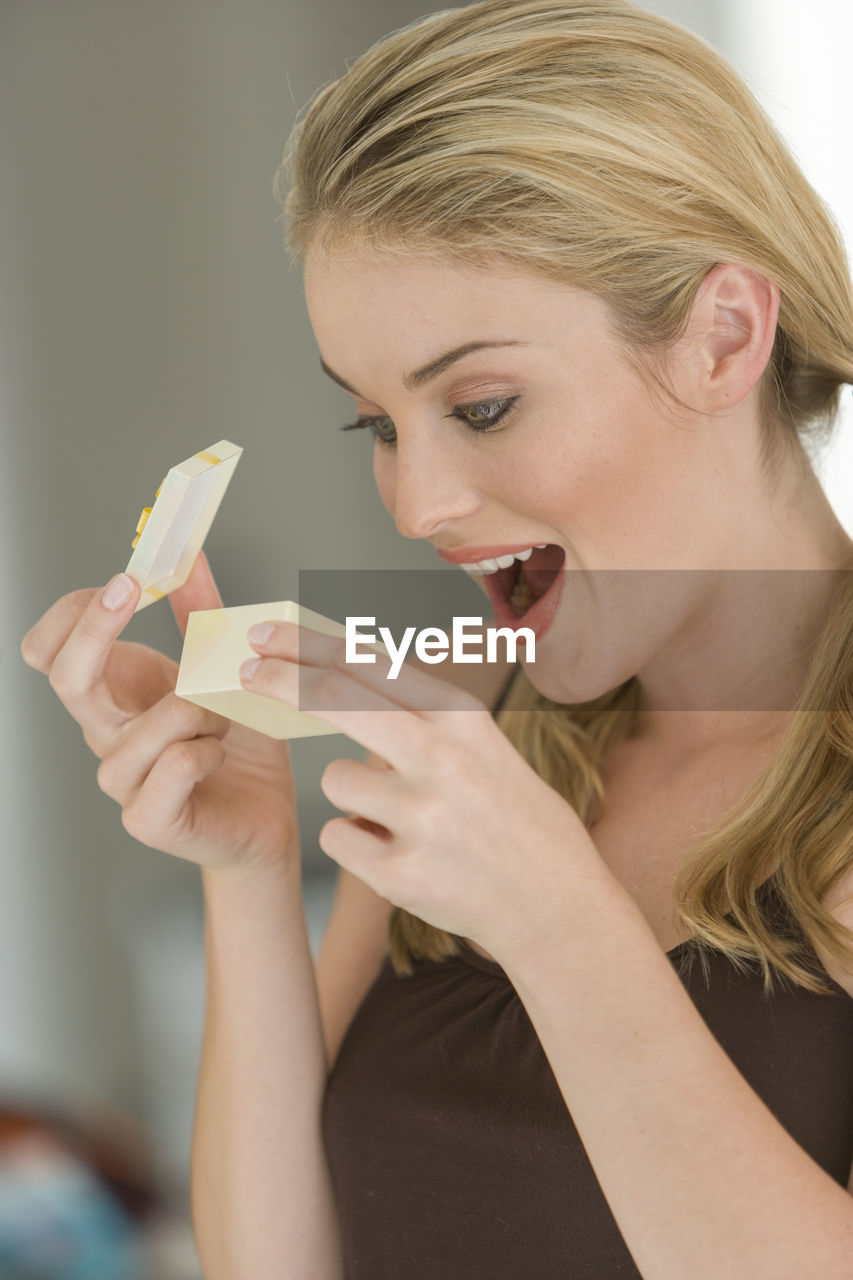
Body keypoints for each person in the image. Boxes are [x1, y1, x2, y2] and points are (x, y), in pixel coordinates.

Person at [21, 0, 853, 1276]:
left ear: (725, 334)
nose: (417, 504)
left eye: (482, 403)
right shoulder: (481, 727)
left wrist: (558, 920)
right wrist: (248, 866)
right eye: (379, 426)